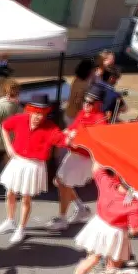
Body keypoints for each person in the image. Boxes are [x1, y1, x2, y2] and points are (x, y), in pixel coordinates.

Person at [0, 94, 75, 244]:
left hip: (34, 165)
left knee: (26, 198)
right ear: (30, 110)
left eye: (42, 113)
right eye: (36, 112)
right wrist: (8, 146)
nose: (38, 116)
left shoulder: (50, 127)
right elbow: (4, 126)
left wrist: (69, 137)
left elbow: (61, 140)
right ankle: (10, 221)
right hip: (18, 161)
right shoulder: (20, 119)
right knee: (10, 193)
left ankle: (21, 228)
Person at [63, 163, 138, 274]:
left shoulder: (107, 183)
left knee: (91, 259)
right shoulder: (134, 204)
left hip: (98, 226)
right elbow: (135, 229)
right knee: (113, 265)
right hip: (116, 233)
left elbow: (96, 168)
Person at [46, 91, 107, 231]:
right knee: (60, 182)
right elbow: (72, 128)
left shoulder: (100, 120)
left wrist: (76, 138)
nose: (86, 104)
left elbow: (94, 142)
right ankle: (81, 209)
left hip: (83, 158)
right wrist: (66, 133)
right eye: (85, 101)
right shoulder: (82, 113)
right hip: (73, 154)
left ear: (98, 104)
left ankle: (62, 218)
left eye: (90, 103)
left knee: (63, 183)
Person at [64, 58, 97, 126]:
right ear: (89, 71)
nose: (95, 72)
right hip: (74, 117)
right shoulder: (84, 86)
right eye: (94, 70)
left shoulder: (77, 79)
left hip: (69, 114)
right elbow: (78, 102)